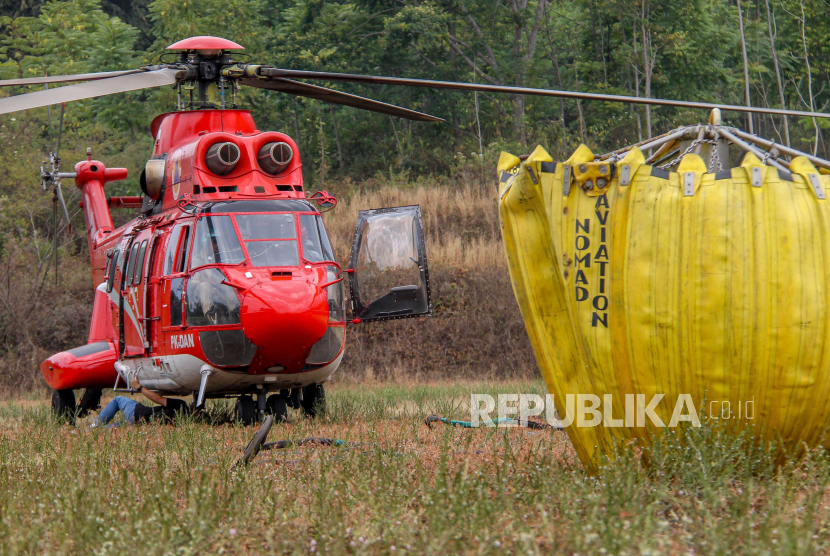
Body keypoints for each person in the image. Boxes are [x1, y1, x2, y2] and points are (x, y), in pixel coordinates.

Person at [91, 377, 190, 427]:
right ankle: (96, 429)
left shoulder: (182, 406)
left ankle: (95, 425)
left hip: (137, 412)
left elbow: (157, 399)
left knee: (118, 400)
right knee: (118, 427)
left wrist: (139, 387)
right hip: (138, 424)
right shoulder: (183, 423)